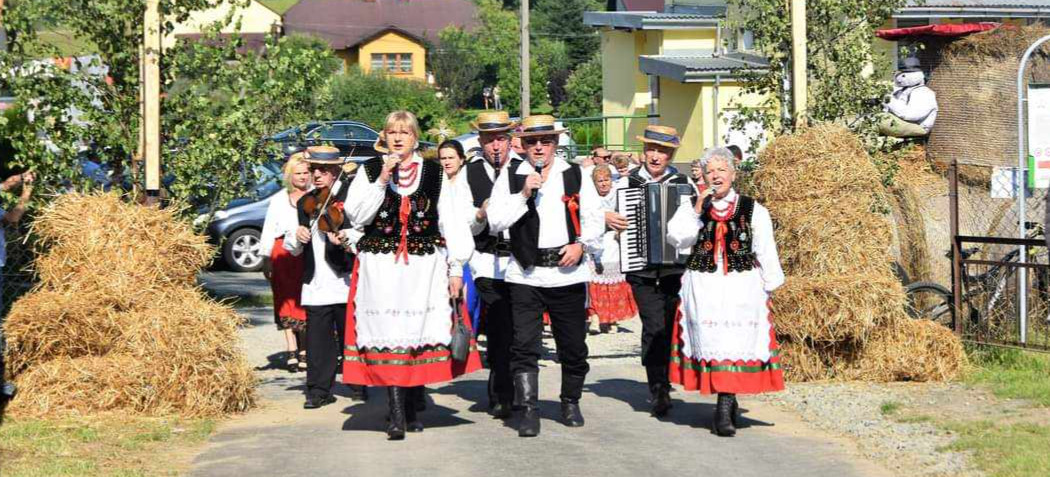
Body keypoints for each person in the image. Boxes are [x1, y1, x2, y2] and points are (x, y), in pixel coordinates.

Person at [342, 111, 481, 440]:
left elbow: (450, 221)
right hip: (381, 267)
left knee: (416, 332)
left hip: (423, 266)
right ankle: (397, 413)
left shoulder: (434, 173)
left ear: (415, 138)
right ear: (384, 137)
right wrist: (381, 179)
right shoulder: (371, 170)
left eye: (405, 132)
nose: (398, 137)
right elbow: (357, 214)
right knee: (389, 332)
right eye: (392, 132)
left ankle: (411, 398)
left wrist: (456, 268)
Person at [487, 114, 603, 437]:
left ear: (555, 144)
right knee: (524, 345)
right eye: (531, 142)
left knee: (573, 345)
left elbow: (594, 220)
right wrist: (523, 194)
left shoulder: (576, 174)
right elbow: (496, 221)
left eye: (545, 141)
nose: (538, 147)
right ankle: (528, 409)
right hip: (526, 273)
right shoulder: (512, 176)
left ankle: (570, 400)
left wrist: (581, 245)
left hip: (567, 273)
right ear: (522, 145)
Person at [667, 146, 785, 437]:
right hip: (704, 284)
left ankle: (725, 403)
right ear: (703, 176)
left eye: (722, 170)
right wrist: (697, 209)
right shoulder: (693, 205)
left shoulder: (752, 208)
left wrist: (771, 285)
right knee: (712, 339)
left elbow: (765, 248)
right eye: (710, 171)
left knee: (735, 340)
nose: (716, 176)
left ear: (733, 174)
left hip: (741, 284)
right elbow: (677, 239)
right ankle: (724, 401)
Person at [605, 125, 693, 419]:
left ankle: (665, 379)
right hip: (641, 269)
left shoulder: (683, 184)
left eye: (663, 151)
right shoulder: (625, 184)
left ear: (671, 155)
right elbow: (598, 212)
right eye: (651, 150)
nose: (656, 156)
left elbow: (695, 223)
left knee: (670, 327)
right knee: (653, 326)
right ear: (643, 152)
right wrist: (609, 218)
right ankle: (658, 387)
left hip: (673, 270)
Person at [285, 146, 357, 410]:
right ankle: (318, 390)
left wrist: (345, 239)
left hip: (344, 279)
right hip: (316, 281)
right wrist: (298, 235)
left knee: (351, 335)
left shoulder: (348, 197)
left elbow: (360, 233)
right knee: (317, 340)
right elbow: (293, 247)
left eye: (323, 170)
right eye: (314, 169)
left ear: (336, 171)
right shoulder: (308, 202)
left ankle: (358, 383)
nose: (316, 175)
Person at [460, 111, 520, 419]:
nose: (495, 146)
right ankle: (501, 394)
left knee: (521, 330)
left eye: (500, 139)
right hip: (487, 261)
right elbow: (459, 223)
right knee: (498, 329)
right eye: (488, 140)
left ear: (509, 141)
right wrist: (479, 216)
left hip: (521, 262)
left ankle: (521, 388)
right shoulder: (469, 174)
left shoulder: (524, 169)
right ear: (480, 142)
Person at [261, 153, 311, 372]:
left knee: (304, 300)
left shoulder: (315, 196)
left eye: (305, 172)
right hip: (282, 254)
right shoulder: (279, 199)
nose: (302, 177)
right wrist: (266, 259)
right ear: (290, 176)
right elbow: (269, 230)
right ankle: (291, 348)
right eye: (298, 173)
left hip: (307, 254)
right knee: (284, 300)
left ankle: (305, 349)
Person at [587, 165, 637, 333]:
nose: (603, 184)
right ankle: (595, 318)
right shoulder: (590, 197)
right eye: (599, 181)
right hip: (595, 242)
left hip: (613, 242)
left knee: (614, 282)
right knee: (594, 282)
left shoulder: (618, 194)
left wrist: (620, 230)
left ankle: (613, 319)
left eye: (606, 180)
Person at [878, 57, 937, 138]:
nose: (898, 78)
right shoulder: (902, 90)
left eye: (903, 75)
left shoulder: (923, 92)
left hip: (918, 126)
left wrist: (888, 100)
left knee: (878, 120)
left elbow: (910, 115)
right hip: (905, 122)